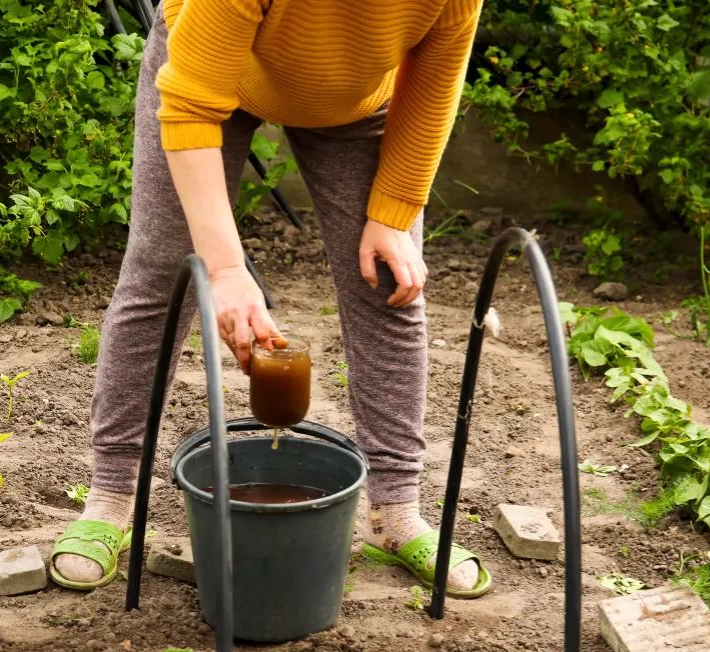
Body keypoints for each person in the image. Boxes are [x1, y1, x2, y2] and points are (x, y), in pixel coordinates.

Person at [48, 0, 491, 598]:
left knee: (390, 281)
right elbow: (189, 103)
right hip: (212, 80)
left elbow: (436, 80)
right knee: (163, 272)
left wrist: (394, 208)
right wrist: (226, 268)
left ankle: (396, 508)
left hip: (354, 103)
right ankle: (110, 495)